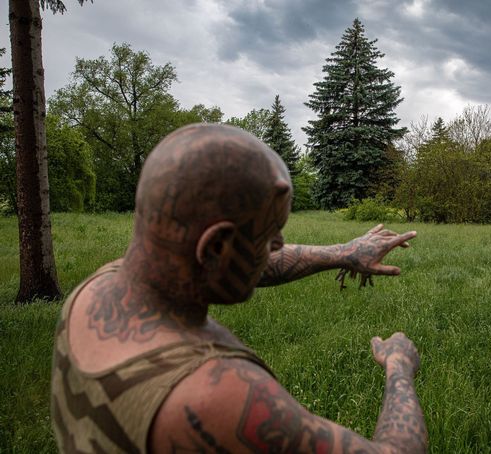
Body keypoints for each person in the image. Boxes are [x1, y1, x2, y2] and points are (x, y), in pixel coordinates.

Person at [51, 124, 427, 453]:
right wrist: (398, 366)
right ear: (216, 247)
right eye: (269, 236)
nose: (278, 246)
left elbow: (233, 264)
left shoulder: (95, 291)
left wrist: (343, 253)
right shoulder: (214, 397)